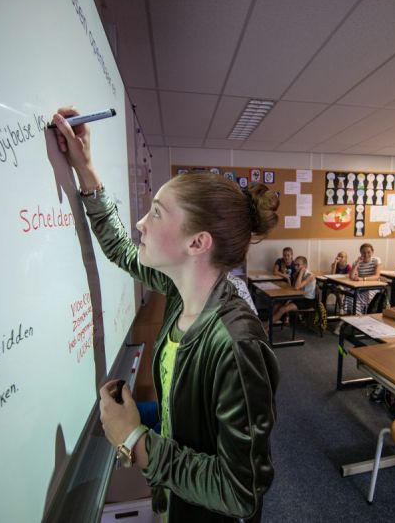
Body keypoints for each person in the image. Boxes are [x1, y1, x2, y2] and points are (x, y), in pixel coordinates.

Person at [50, 108, 280, 522]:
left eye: (156, 212)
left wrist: (136, 441)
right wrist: (85, 169)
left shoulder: (236, 344)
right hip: (178, 503)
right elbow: (122, 248)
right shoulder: (179, 293)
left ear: (197, 243)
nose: (140, 222)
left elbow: (241, 491)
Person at [270, 256, 316, 324]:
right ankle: (269, 324)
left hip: (307, 301)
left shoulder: (310, 276)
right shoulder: (296, 274)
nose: (296, 267)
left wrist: (301, 272)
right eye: (295, 264)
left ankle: (266, 328)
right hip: (299, 297)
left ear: (305, 266)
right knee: (276, 305)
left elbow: (297, 287)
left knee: (282, 309)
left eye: (298, 265)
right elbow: (292, 287)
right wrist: (289, 279)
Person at [347, 243, 381, 314]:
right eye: (363, 252)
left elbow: (377, 276)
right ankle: (353, 316)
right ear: (360, 253)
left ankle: (360, 315)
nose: (366, 254)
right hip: (361, 287)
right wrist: (357, 263)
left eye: (368, 252)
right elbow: (351, 276)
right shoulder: (358, 262)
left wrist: (362, 279)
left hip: (373, 287)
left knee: (362, 297)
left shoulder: (376, 260)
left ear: (372, 252)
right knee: (349, 295)